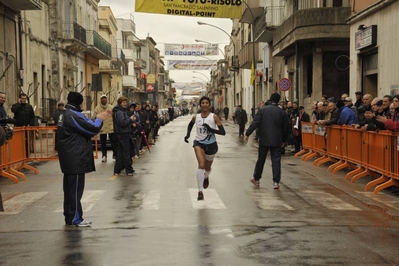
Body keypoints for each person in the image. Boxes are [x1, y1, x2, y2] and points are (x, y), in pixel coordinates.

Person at [57, 91, 111, 227]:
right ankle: (76, 218)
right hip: (75, 158)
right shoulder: (73, 115)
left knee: (69, 190)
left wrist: (96, 119)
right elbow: (92, 129)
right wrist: (99, 119)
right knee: (75, 190)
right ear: (79, 102)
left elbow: (85, 124)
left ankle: (69, 217)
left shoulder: (65, 113)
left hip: (69, 157)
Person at [184, 96, 225, 201]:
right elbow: (190, 125)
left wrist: (211, 129)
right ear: (200, 105)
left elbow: (223, 132)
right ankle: (200, 191)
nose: (205, 104)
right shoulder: (196, 117)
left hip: (211, 144)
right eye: (203, 103)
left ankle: (206, 177)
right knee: (201, 165)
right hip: (199, 143)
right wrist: (188, 135)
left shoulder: (214, 117)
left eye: (207, 103)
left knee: (207, 168)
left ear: (209, 105)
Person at [244, 93, 289, 189]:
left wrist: (247, 133)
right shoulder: (282, 112)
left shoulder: (262, 110)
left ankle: (256, 179)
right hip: (277, 139)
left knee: (261, 159)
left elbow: (255, 123)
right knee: (276, 160)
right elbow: (286, 127)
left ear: (269, 99)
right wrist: (284, 140)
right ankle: (276, 182)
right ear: (278, 101)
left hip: (264, 139)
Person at [113, 96, 136, 176]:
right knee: (126, 153)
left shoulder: (122, 111)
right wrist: (130, 119)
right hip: (123, 134)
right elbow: (122, 123)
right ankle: (128, 170)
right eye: (123, 102)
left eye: (126, 102)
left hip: (122, 134)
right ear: (120, 103)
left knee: (120, 153)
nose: (125, 104)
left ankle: (117, 170)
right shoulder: (120, 112)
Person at [92, 94, 117, 162]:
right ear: (101, 100)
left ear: (107, 99)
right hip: (102, 127)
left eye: (105, 98)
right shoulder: (97, 108)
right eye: (102, 98)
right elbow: (94, 117)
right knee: (103, 143)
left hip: (110, 127)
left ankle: (115, 154)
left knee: (113, 142)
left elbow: (115, 117)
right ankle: (104, 155)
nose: (104, 100)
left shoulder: (111, 107)